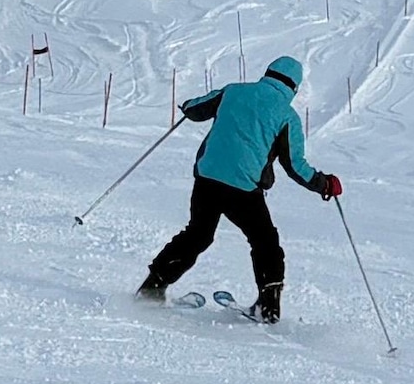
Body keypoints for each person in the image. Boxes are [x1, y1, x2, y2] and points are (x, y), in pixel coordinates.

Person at [143, 53, 333, 323]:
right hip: (242, 190)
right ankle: (268, 309)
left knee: (197, 234)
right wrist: (324, 183)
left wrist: (187, 106)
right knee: (265, 242)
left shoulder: (233, 91)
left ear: (267, 72)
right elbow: (295, 166)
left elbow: (196, 108)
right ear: (294, 87)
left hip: (207, 179)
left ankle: (152, 288)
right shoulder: (287, 116)